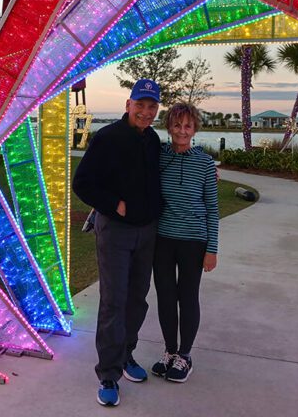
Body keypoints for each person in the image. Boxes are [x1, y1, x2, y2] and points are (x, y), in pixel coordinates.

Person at [72, 79, 162, 407]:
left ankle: (126, 356)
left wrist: (207, 170)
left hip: (147, 231)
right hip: (115, 232)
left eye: (152, 106)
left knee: (137, 299)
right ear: (128, 104)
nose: (146, 111)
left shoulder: (153, 140)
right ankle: (108, 372)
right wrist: (113, 204)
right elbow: (81, 183)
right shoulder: (107, 138)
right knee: (113, 301)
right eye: (141, 105)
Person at [151, 102, 219, 383]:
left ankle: (185, 355)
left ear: (194, 129)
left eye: (187, 126)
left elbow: (213, 209)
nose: (182, 131)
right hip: (163, 239)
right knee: (165, 297)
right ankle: (169, 351)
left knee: (187, 297)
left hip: (194, 241)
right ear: (169, 127)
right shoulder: (158, 156)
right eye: (177, 125)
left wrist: (212, 249)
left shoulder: (204, 163)